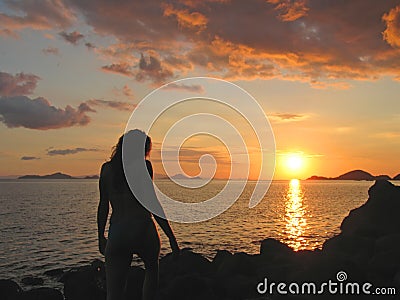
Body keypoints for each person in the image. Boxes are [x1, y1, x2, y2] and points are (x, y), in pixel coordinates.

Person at [97, 129, 180, 300]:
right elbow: (152, 203)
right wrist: (171, 237)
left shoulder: (107, 170)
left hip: (118, 232)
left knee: (114, 293)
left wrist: (100, 236)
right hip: (143, 229)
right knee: (151, 269)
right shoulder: (145, 167)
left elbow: (103, 205)